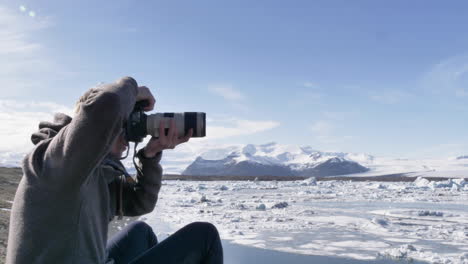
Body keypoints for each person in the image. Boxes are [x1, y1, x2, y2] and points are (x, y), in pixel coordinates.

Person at [6, 77, 223, 264]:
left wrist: (149, 156)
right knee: (205, 236)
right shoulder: (56, 163)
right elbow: (108, 104)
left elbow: (141, 203)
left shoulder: (94, 173)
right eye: (122, 125)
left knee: (140, 232)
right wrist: (133, 89)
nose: (127, 135)